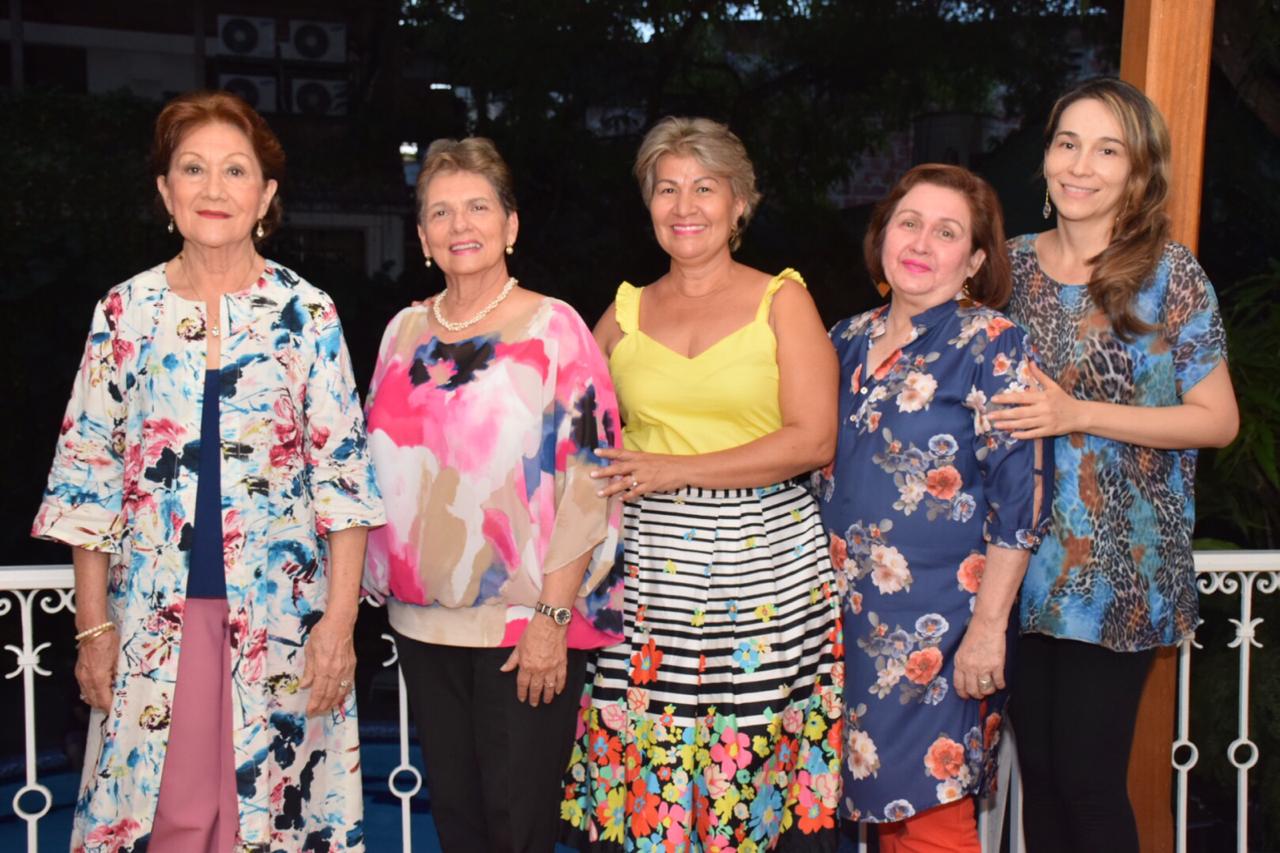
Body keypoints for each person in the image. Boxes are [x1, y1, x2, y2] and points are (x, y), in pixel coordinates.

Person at [32, 90, 385, 852]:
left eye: (235, 170)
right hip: (153, 626)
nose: (214, 189)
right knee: (166, 820)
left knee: (270, 819)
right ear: (166, 191)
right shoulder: (125, 313)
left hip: (285, 624)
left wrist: (340, 623)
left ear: (266, 195)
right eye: (193, 169)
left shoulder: (307, 313)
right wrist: (93, 629)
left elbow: (344, 485)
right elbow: (87, 482)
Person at [560, 116, 844, 852]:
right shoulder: (621, 313)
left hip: (766, 583)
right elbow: (564, 440)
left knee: (748, 781)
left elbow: (812, 440)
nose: (684, 206)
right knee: (649, 784)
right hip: (647, 583)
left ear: (739, 202)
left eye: (704, 188)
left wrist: (670, 469)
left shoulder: (782, 300)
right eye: (666, 189)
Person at [989, 77, 1239, 853]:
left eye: (1108, 149)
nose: (1081, 165)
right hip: (1017, 569)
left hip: (1121, 573)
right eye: (1068, 143)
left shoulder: (1169, 273)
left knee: (1089, 786)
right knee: (1042, 781)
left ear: (1138, 172)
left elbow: (1218, 420)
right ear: (1046, 155)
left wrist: (1078, 413)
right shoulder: (1006, 267)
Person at [362, 136, 624, 852]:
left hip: (523, 624)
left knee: (518, 828)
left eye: (478, 206)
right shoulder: (402, 331)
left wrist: (551, 617)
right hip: (420, 623)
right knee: (461, 826)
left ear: (511, 225)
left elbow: (589, 482)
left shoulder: (555, 327)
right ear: (421, 237)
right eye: (440, 212)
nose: (459, 225)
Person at [813, 163, 1050, 852]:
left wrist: (987, 630)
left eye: (947, 232)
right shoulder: (842, 338)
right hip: (841, 622)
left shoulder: (993, 342)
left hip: (941, 631)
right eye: (908, 222)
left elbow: (1021, 498)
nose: (920, 241)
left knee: (929, 815)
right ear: (882, 233)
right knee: (877, 806)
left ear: (974, 259)